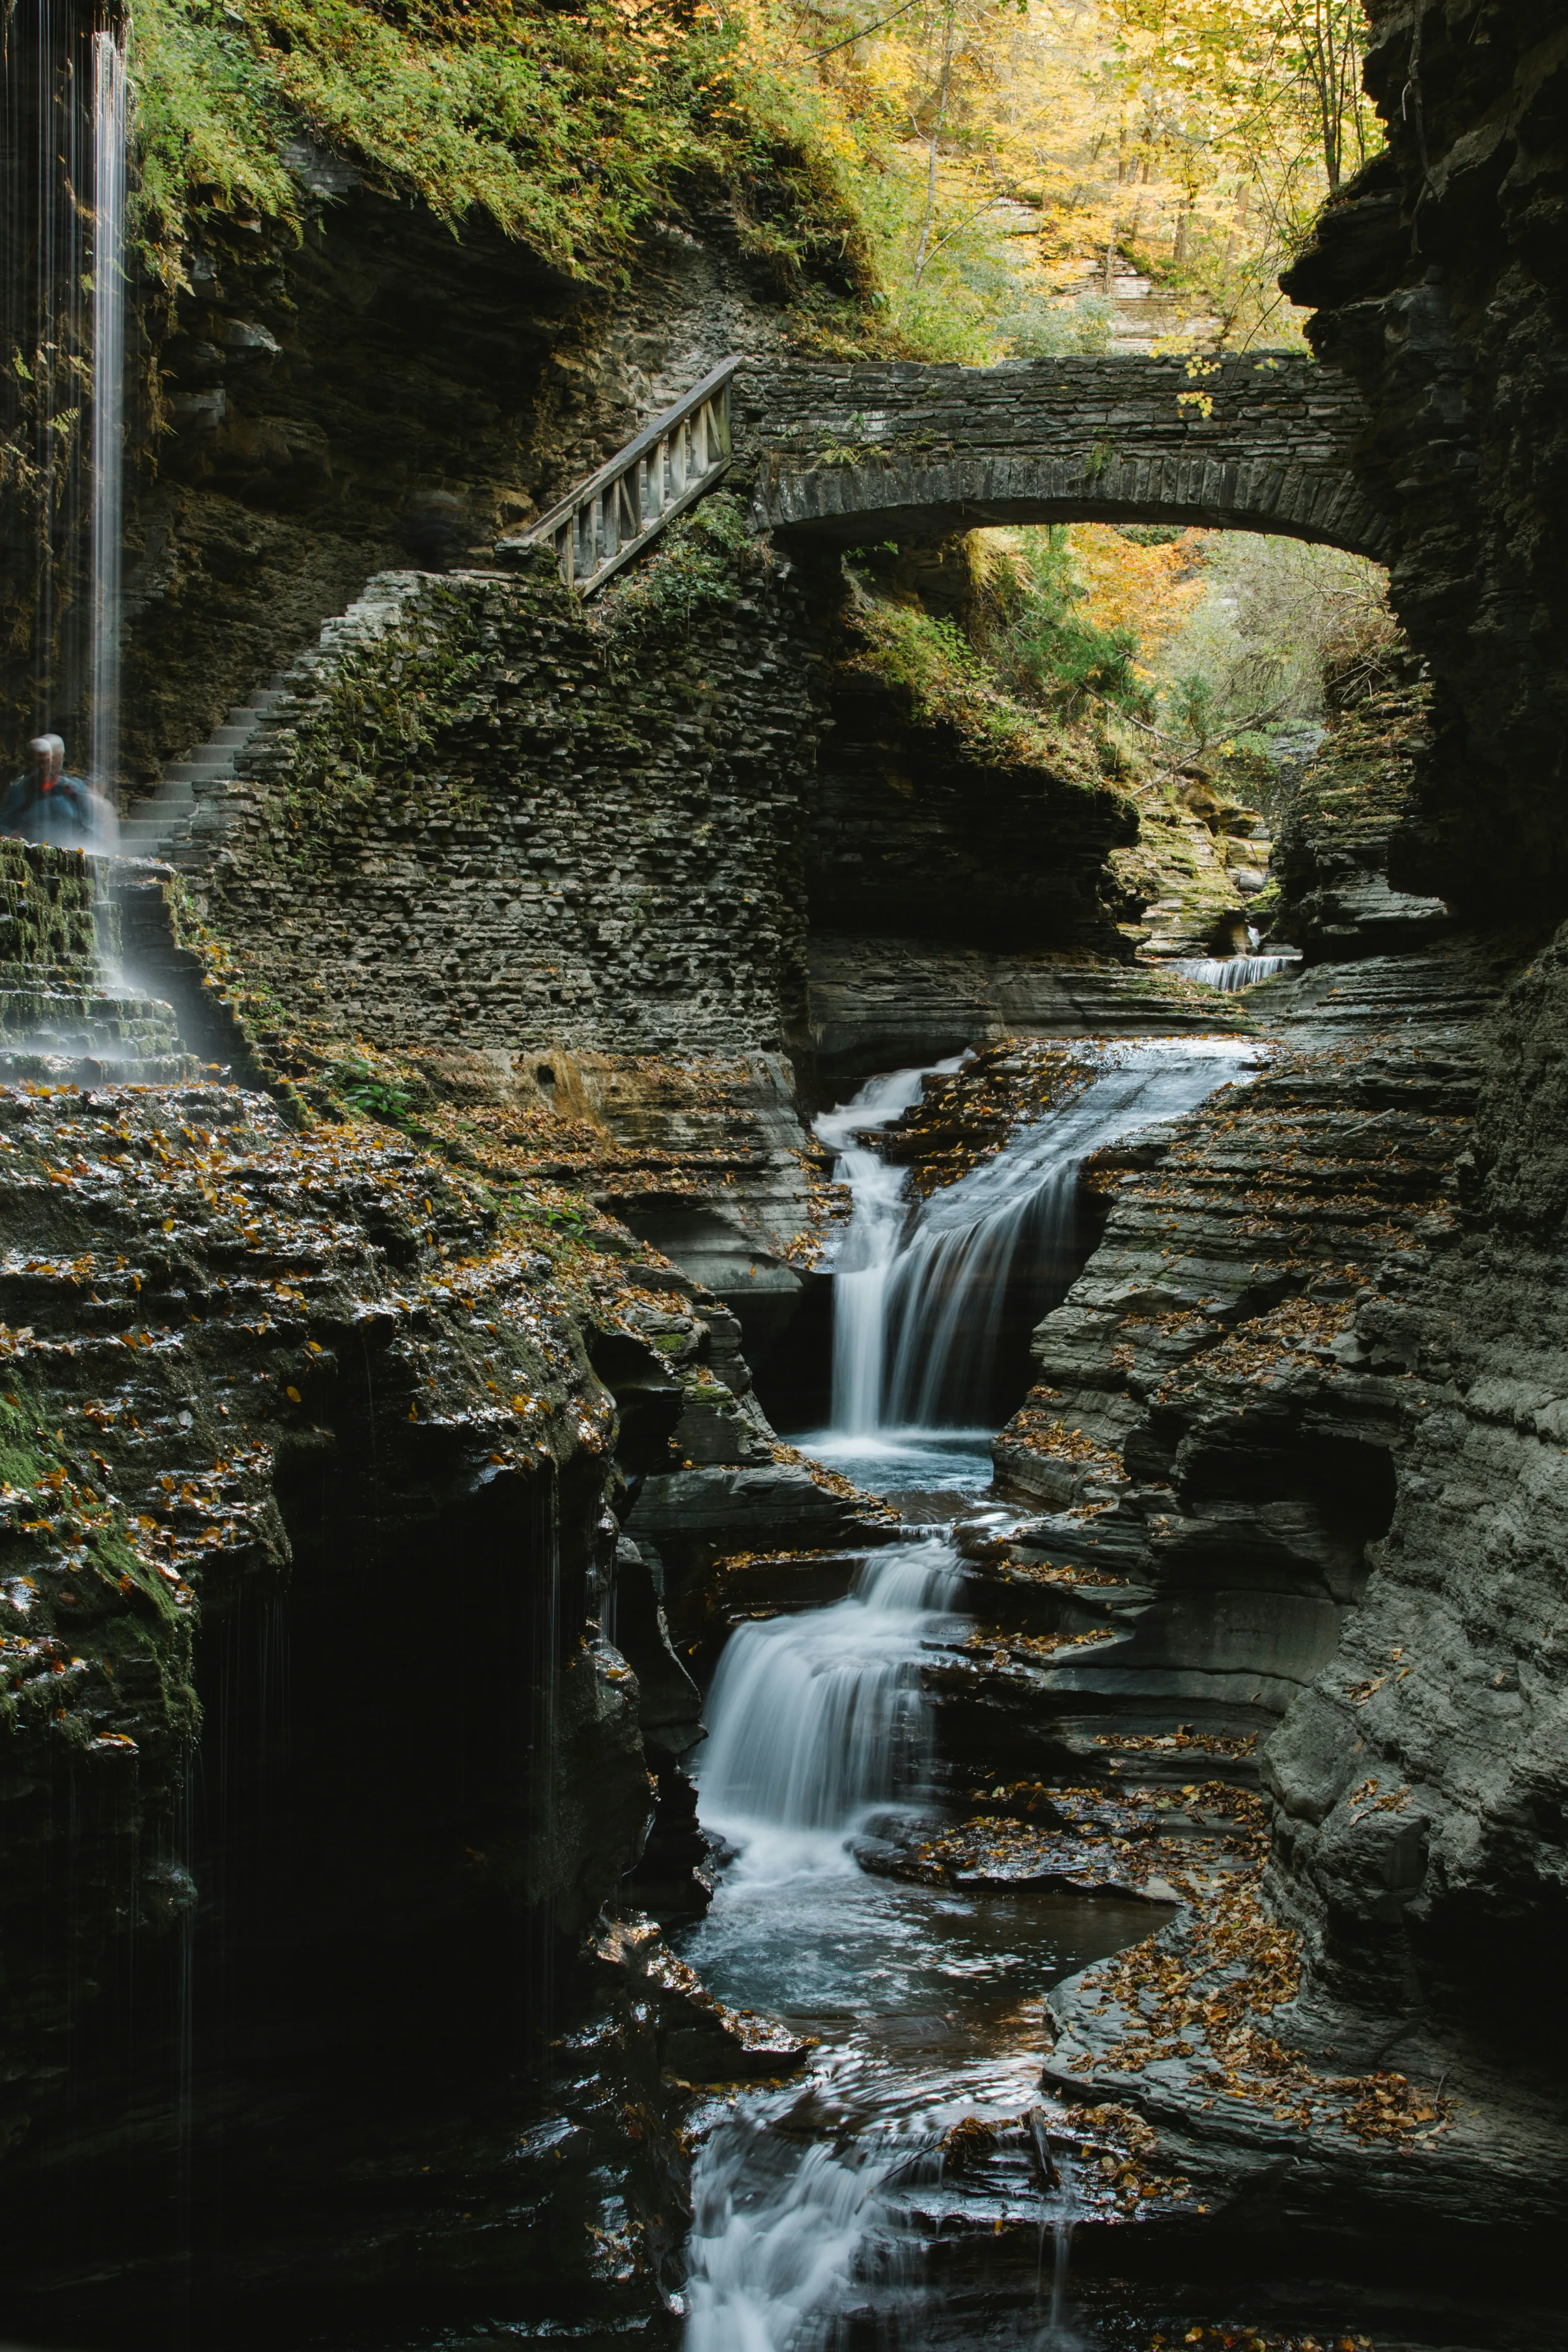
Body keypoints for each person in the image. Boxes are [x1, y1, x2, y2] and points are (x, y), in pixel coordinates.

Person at [0, 735, 116, 851]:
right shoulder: (20, 789)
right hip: (29, 855)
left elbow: (94, 830)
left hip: (69, 856)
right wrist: (10, 836)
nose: (43, 767)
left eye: (46, 761)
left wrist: (87, 851)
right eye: (38, 762)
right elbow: (4, 824)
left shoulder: (76, 789)